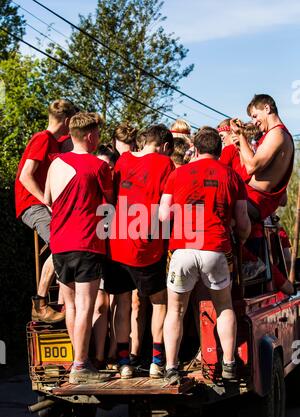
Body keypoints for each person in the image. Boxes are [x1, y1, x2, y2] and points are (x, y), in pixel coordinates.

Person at [159, 126, 251, 383]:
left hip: (183, 249)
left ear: (195, 150)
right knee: (224, 307)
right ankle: (230, 363)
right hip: (216, 249)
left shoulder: (178, 174)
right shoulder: (232, 176)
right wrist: (240, 240)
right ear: (219, 151)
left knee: (175, 311)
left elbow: (164, 216)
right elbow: (243, 222)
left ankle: (171, 368)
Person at [44, 112, 114, 384]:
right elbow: (110, 204)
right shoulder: (98, 166)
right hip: (86, 242)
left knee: (70, 305)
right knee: (86, 306)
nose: (98, 138)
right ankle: (81, 365)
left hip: (59, 244)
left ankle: (78, 360)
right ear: (89, 135)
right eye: (97, 133)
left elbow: (48, 199)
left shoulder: (55, 164)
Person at [105, 124, 174, 379]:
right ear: (166, 147)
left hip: (116, 242)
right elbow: (167, 212)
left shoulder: (122, 160)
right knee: (159, 303)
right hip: (146, 247)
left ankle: (124, 363)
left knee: (121, 304)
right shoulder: (165, 165)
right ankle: (157, 361)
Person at [15, 99, 77, 322]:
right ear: (68, 120)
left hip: (43, 203)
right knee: (60, 243)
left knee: (66, 243)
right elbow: (25, 175)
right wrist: (46, 201)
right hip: (32, 204)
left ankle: (62, 301)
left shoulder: (56, 141)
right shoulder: (42, 139)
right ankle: (40, 304)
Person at [231, 94, 294, 221]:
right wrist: (241, 142)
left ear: (267, 108)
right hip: (252, 199)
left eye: (255, 116)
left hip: (254, 200)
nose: (254, 122)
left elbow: (252, 167)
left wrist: (241, 135)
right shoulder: (276, 134)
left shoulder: (277, 133)